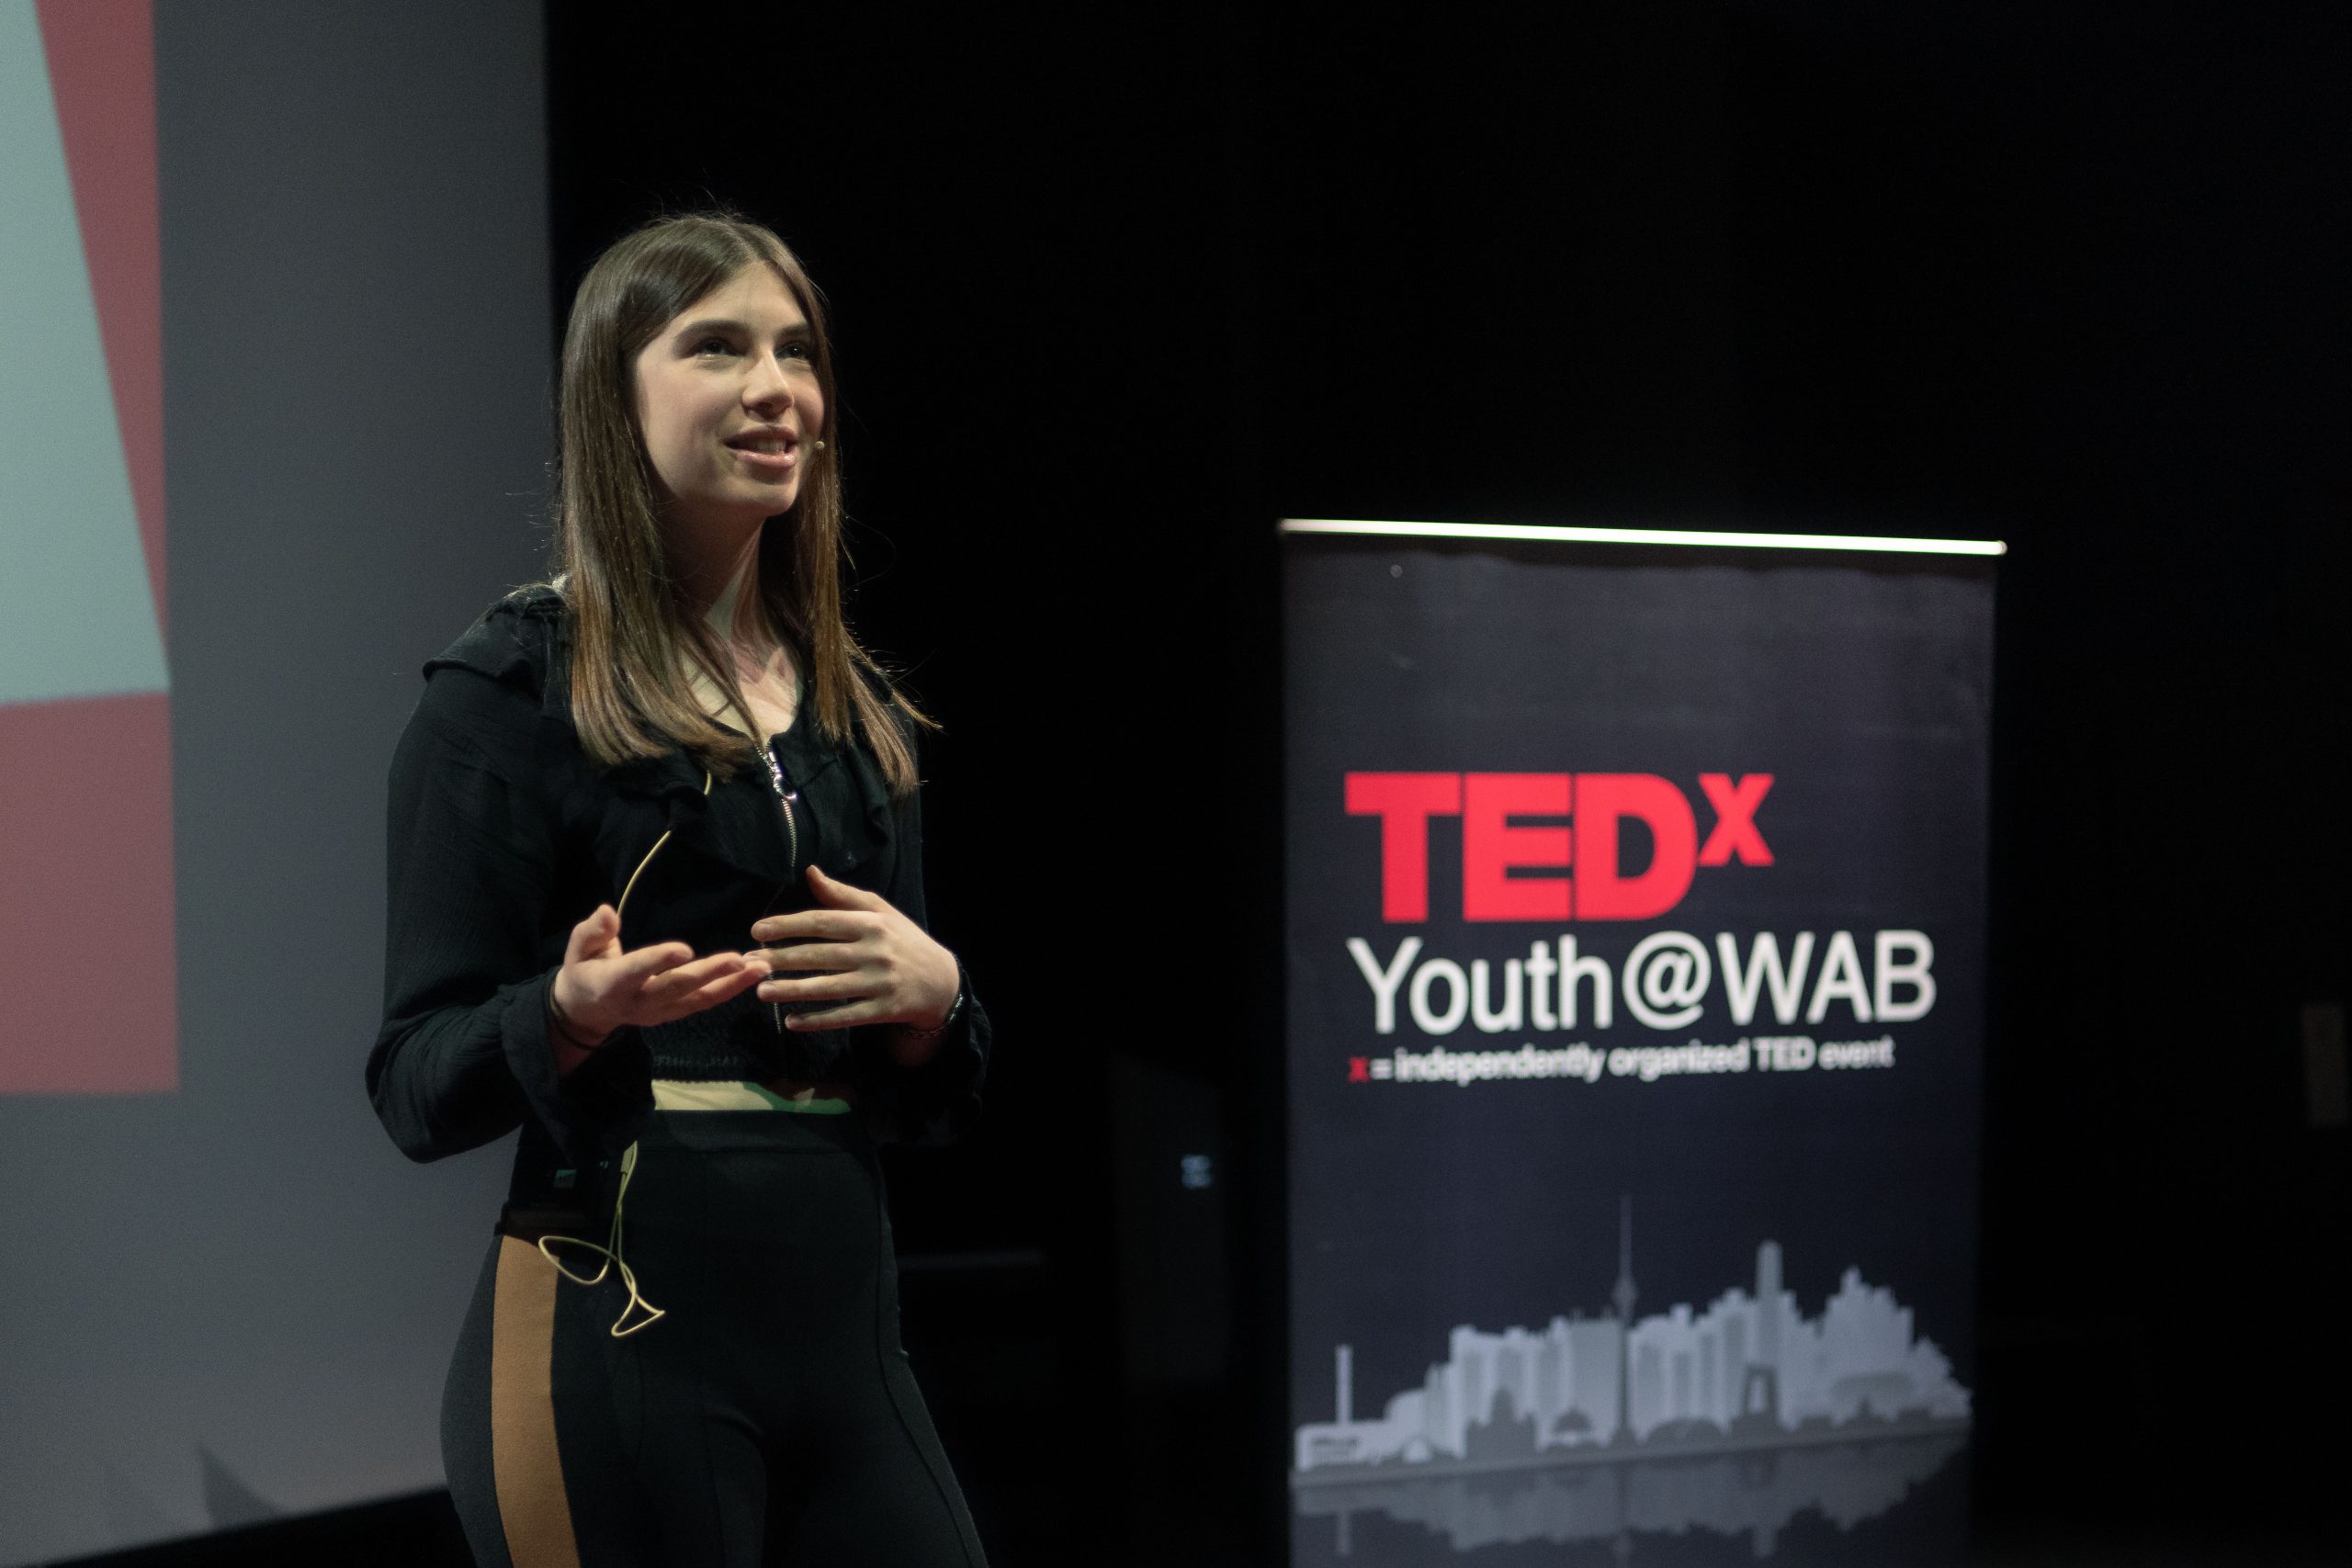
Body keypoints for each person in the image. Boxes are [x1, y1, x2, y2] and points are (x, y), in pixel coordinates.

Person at [367, 212, 990, 1567]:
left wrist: (938, 1001)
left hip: (849, 1357)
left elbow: (925, 1100)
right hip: (612, 1348)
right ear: (616, 394)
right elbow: (413, 1083)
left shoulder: (859, 718)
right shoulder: (511, 693)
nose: (776, 388)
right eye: (717, 347)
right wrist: (563, 1015)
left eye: (796, 351)